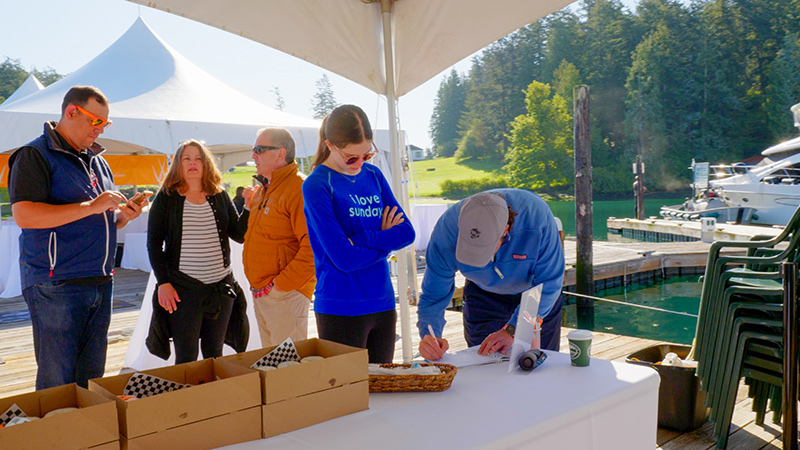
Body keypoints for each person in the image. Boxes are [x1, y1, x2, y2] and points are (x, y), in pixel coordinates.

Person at [8, 85, 145, 389]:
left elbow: (96, 221)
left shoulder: (97, 161)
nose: (100, 130)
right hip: (57, 283)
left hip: (100, 281)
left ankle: (85, 435)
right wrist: (92, 206)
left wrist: (122, 217)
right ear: (71, 112)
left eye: (105, 123)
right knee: (58, 381)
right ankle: (56, 436)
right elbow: (25, 216)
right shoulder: (34, 154)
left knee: (90, 378)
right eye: (95, 121)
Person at [302, 105, 415, 363]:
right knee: (349, 397)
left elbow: (407, 233)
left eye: (368, 154)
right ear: (330, 145)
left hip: (383, 303)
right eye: (352, 157)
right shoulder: (317, 184)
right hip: (340, 305)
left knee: (383, 393)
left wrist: (365, 239)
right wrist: (386, 240)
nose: (360, 163)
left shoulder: (373, 175)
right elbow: (344, 258)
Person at [417, 189, 565, 361]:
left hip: (536, 296)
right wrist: (430, 336)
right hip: (483, 295)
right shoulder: (445, 235)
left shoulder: (537, 219)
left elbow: (549, 282)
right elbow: (433, 296)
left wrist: (512, 329)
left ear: (505, 232)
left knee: (539, 366)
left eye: (483, 250)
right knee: (484, 366)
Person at [145, 139, 249, 364]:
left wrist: (248, 206)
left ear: (206, 164)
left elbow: (238, 234)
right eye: (187, 159)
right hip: (183, 290)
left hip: (221, 288)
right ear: (178, 165)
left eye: (198, 158)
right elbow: (154, 244)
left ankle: (211, 398)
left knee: (214, 353)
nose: (193, 163)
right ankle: (187, 399)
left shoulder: (219, 194)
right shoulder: (166, 197)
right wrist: (163, 283)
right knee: (186, 356)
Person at [241, 128, 316, 347]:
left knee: (287, 371)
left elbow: (313, 247)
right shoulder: (267, 187)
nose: (253, 155)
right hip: (266, 294)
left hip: (284, 296)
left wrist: (281, 286)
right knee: (275, 368)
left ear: (280, 154)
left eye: (259, 150)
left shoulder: (299, 187)